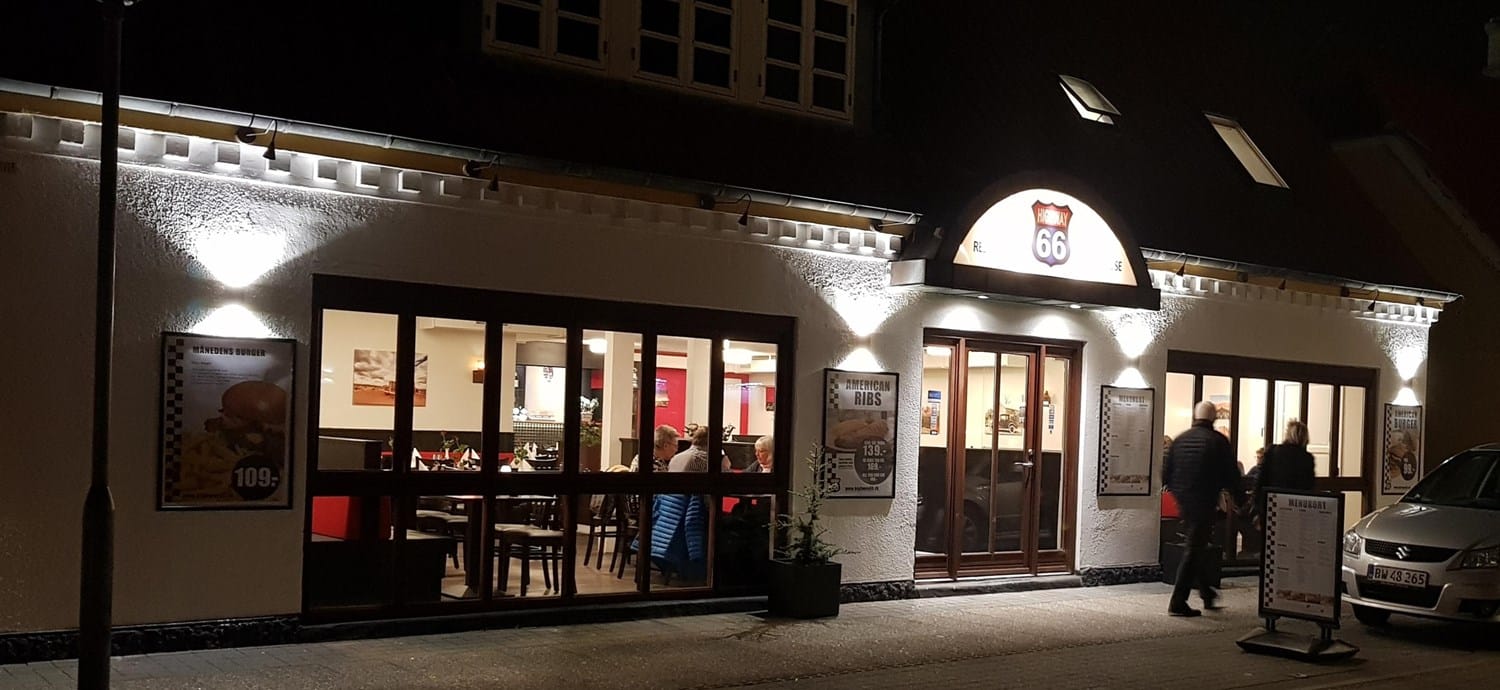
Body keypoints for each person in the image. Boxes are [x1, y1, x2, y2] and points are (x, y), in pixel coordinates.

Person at [1163, 400, 1243, 617]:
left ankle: (1207, 593)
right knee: (1194, 548)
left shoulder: (1180, 440)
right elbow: (1231, 475)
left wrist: (1178, 493)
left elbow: (1166, 473)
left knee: (1196, 545)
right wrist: (1240, 500)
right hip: (1204, 500)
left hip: (1184, 500)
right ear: (1213, 418)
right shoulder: (1217, 441)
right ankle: (1178, 602)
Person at [1255, 420, 1316, 502]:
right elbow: (1308, 486)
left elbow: (1261, 480)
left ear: (1288, 435)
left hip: (1273, 500)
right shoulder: (1307, 458)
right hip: (1296, 502)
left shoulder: (1273, 451)